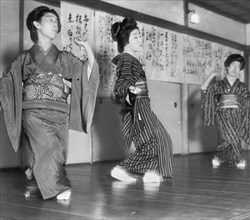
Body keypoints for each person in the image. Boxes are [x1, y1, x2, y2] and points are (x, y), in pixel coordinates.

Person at [0, 6, 99, 200]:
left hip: (60, 112)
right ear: (36, 24)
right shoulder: (24, 58)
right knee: (47, 147)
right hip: (33, 111)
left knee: (58, 152)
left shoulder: (65, 57)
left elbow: (88, 73)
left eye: (56, 21)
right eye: (50, 19)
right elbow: (7, 81)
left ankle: (36, 183)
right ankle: (58, 187)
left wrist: (87, 48)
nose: (56, 23)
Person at [109, 17, 173, 183]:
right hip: (136, 106)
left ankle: (152, 172)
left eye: (140, 36)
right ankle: (123, 169)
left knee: (160, 139)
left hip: (141, 104)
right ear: (126, 42)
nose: (140, 40)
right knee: (157, 139)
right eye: (136, 36)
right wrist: (130, 91)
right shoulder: (126, 59)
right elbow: (122, 82)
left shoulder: (131, 60)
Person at [200, 54, 250, 169]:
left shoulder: (242, 87)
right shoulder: (218, 85)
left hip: (238, 115)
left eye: (238, 66)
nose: (235, 68)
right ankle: (238, 159)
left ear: (240, 70)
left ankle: (219, 156)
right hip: (222, 115)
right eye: (233, 65)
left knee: (229, 139)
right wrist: (211, 75)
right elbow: (204, 89)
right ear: (227, 67)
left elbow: (247, 101)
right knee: (231, 137)